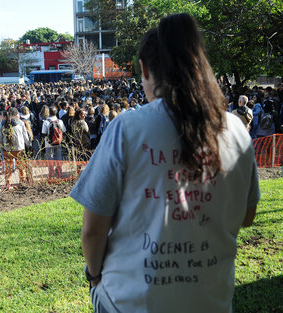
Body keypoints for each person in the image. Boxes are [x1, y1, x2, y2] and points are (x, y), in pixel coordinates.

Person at [70, 13, 260, 313]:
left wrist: (93, 275)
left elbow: (93, 229)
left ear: (144, 70)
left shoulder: (127, 128)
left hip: (130, 302)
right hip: (211, 301)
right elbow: (247, 216)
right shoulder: (237, 129)